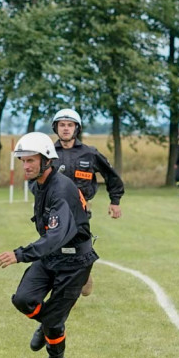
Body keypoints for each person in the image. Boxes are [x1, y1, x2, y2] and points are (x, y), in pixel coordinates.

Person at [0, 132, 97, 358]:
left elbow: (55, 236)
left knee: (53, 322)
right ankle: (48, 320)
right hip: (51, 256)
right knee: (23, 299)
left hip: (74, 261)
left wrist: (20, 254)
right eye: (23, 161)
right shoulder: (38, 185)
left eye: (31, 161)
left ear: (46, 160)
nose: (25, 166)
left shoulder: (60, 190)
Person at [50, 107, 123, 296]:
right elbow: (35, 180)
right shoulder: (47, 152)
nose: (65, 129)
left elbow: (111, 176)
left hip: (81, 210)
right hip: (53, 210)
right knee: (53, 248)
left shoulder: (90, 153)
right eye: (62, 125)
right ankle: (59, 290)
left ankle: (85, 274)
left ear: (77, 129)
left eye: (70, 125)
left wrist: (115, 201)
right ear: (56, 128)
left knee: (80, 248)